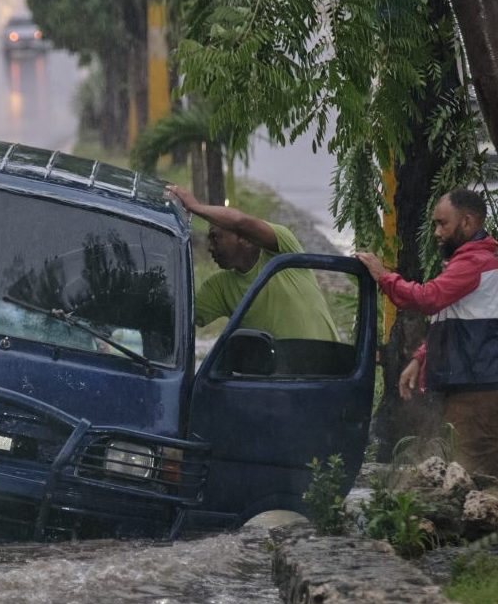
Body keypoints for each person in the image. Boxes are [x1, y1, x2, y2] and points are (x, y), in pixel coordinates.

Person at [357, 187, 498, 476]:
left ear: (468, 222)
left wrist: (383, 277)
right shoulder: (471, 261)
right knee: (465, 472)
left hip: (477, 391)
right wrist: (421, 358)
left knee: (472, 477)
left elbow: (427, 299)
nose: (436, 232)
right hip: (473, 386)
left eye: (442, 223)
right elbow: (449, 316)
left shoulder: (475, 263)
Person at [167, 185, 340, 341]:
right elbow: (179, 317)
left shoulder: (283, 249)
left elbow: (241, 223)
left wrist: (196, 207)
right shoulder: (220, 287)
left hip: (329, 370)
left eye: (215, 237)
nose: (210, 248)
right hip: (280, 375)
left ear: (245, 239)